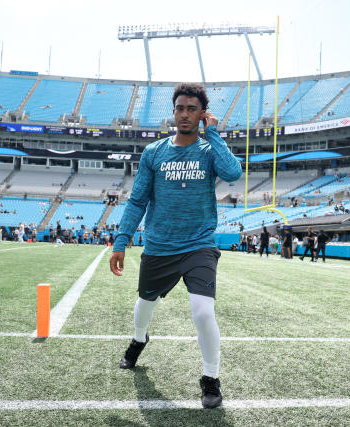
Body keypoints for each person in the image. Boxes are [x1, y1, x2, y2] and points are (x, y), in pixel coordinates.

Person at [109, 83, 242, 409]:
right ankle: (139, 340)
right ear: (174, 112)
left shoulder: (210, 150)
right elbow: (138, 200)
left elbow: (233, 172)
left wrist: (214, 135)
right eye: (180, 108)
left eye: (192, 109)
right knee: (145, 304)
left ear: (202, 114)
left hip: (199, 244)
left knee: (202, 311)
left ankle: (210, 377)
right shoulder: (154, 152)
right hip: (159, 245)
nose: (185, 114)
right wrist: (121, 241)